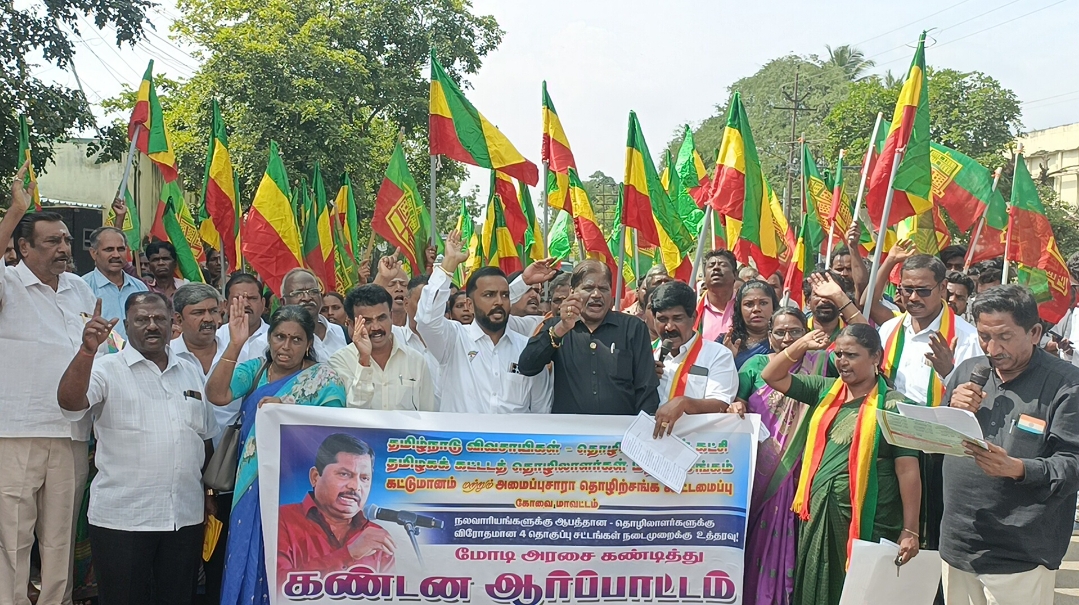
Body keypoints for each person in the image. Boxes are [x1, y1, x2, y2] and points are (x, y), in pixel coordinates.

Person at [57, 292, 216, 605]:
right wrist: (87, 352)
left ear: (173, 323)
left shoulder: (190, 370)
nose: (152, 325)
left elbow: (205, 437)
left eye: (159, 319)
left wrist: (208, 493)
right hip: (123, 520)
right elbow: (70, 403)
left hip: (183, 518)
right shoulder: (105, 369)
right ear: (127, 325)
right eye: (142, 319)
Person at [761, 323, 921, 605]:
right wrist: (802, 344)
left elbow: (907, 470)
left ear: (876, 357)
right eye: (838, 354)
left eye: (852, 355)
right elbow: (771, 375)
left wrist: (910, 530)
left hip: (871, 517)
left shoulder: (894, 406)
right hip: (820, 513)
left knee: (862, 591)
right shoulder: (824, 390)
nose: (843, 362)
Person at [941, 285, 1079, 605]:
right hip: (959, 544)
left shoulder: (1067, 385)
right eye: (984, 336)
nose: (992, 348)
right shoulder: (968, 372)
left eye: (1004, 336)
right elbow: (941, 442)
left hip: (1020, 554)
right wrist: (950, 411)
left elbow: (1072, 463)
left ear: (1034, 332)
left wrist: (1017, 469)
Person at [0, 166, 98, 605]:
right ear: (23, 247)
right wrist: (15, 211)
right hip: (16, 433)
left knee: (60, 540)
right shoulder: (8, 283)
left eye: (66, 240)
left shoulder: (79, 289)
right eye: (52, 241)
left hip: (72, 432)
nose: (63, 248)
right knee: (13, 539)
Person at [206, 304, 346, 605]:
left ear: (308, 343)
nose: (286, 346)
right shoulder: (255, 370)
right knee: (251, 552)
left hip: (297, 487)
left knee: (293, 558)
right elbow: (217, 395)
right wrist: (235, 344)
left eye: (296, 339)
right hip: (252, 483)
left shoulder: (325, 379)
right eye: (280, 337)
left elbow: (332, 434)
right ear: (269, 338)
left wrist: (287, 410)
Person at [734, 307, 820, 605]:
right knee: (759, 531)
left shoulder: (821, 364)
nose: (787, 338)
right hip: (763, 468)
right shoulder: (755, 365)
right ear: (769, 336)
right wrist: (736, 404)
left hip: (802, 465)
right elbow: (738, 400)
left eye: (795, 331)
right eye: (780, 332)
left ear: (806, 333)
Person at [417, 229, 551, 414]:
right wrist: (448, 265)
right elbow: (426, 320)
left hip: (516, 435)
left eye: (505, 295)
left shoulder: (527, 349)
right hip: (462, 434)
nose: (499, 302)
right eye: (489, 295)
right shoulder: (454, 340)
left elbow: (541, 412)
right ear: (469, 305)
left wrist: (524, 281)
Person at [518, 259, 658, 415]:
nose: (596, 295)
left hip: (620, 429)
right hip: (570, 429)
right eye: (588, 288)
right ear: (572, 292)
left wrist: (642, 427)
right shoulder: (557, 326)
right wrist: (562, 328)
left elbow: (646, 389)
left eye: (603, 289)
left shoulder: (633, 328)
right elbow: (527, 366)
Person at [277, 434, 395, 595]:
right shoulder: (282, 519)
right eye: (344, 474)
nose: (355, 486)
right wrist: (349, 554)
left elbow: (391, 595)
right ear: (315, 477)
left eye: (364, 478)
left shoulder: (376, 537)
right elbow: (277, 588)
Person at [649, 281, 737, 437]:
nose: (669, 327)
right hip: (648, 439)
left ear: (693, 318)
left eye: (677, 318)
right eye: (662, 319)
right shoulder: (647, 353)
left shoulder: (718, 355)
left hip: (696, 442)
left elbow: (721, 403)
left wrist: (684, 403)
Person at [329, 285, 435, 411]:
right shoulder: (340, 361)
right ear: (351, 324)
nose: (376, 327)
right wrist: (364, 360)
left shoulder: (416, 361)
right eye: (367, 321)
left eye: (381, 318)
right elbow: (354, 412)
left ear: (391, 316)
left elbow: (428, 414)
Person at [81, 225, 148, 339]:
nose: (116, 255)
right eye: (109, 249)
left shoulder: (139, 287)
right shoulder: (83, 287)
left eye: (121, 249)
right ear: (93, 253)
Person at [281, 268, 349, 360]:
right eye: (298, 293)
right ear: (283, 303)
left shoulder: (344, 333)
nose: (307, 298)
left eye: (313, 292)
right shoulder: (273, 342)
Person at [720, 280, 779, 368]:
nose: (756, 309)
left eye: (763, 303)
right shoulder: (725, 342)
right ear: (739, 309)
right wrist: (727, 359)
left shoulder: (783, 341)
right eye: (749, 304)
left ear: (774, 306)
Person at [172, 283, 225, 378]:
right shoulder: (168, 355)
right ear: (179, 319)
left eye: (213, 311)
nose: (208, 319)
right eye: (198, 313)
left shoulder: (234, 352)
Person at [698, 250, 738, 342]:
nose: (716, 268)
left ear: (735, 274)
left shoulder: (745, 306)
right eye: (711, 265)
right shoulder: (693, 310)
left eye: (723, 265)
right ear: (704, 277)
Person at [373, 250, 409, 327]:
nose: (399, 288)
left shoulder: (418, 325)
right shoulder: (375, 327)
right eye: (391, 284)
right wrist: (382, 277)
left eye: (403, 284)